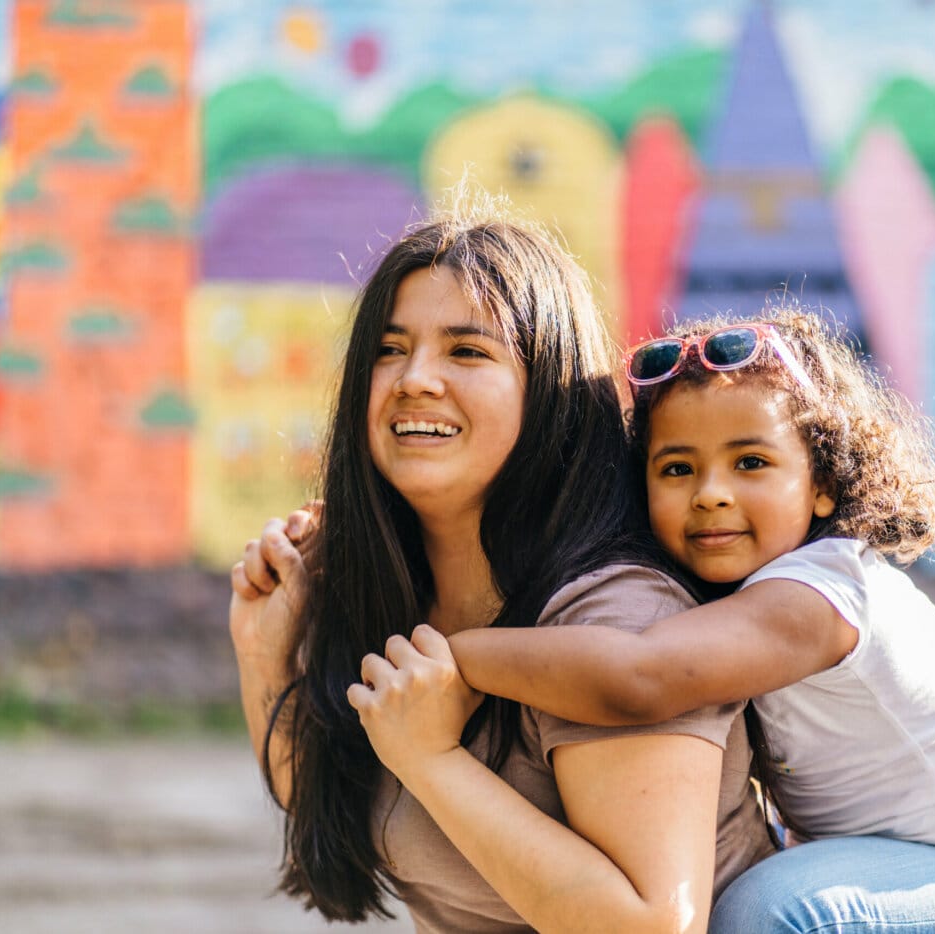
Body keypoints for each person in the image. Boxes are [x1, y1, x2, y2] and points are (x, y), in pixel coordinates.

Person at [444, 308, 935, 933]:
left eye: (750, 463)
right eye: (677, 468)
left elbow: (638, 679)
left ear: (822, 483)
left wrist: (449, 656)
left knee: (767, 912)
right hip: (887, 861)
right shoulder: (720, 595)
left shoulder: (818, 593)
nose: (710, 492)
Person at [229, 208, 773, 933]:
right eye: (390, 350)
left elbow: (649, 923)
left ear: (547, 390)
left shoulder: (615, 618)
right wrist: (265, 654)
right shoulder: (394, 590)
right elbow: (328, 797)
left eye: (467, 352)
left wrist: (432, 759)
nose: (415, 379)